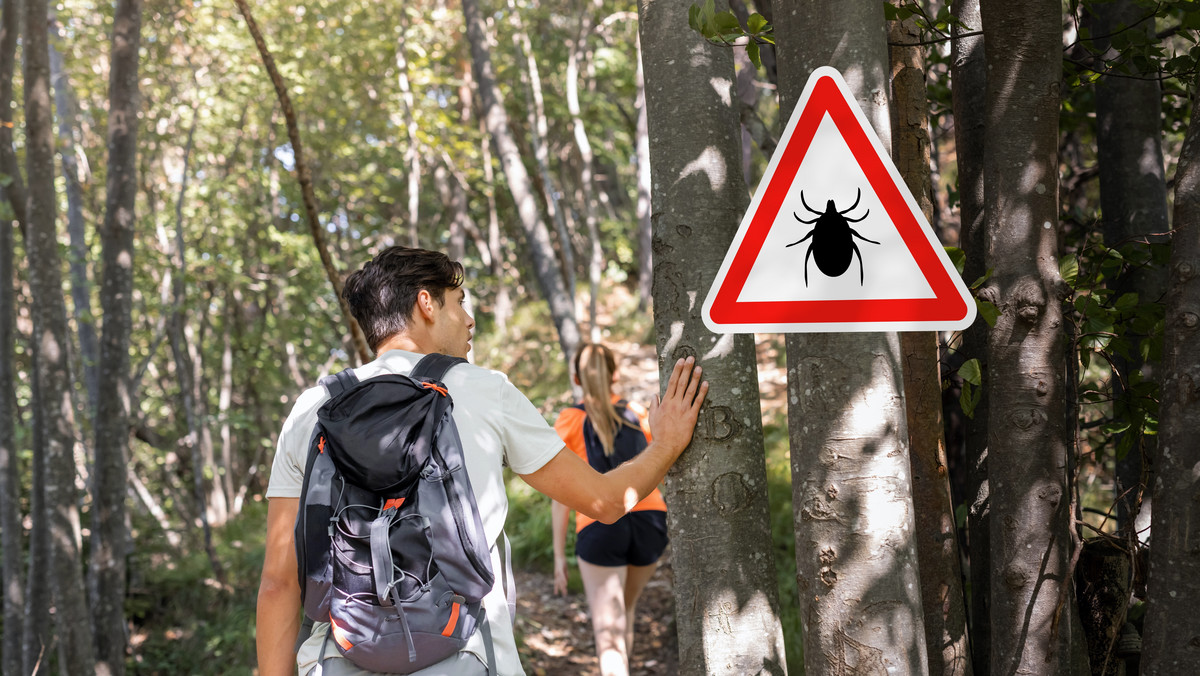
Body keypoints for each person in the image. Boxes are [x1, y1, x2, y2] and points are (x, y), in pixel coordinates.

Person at [256, 246, 708, 676]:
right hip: (467, 652)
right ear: (426, 303)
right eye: (460, 302)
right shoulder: (484, 390)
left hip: (337, 656)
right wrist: (666, 443)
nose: (469, 320)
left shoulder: (312, 410)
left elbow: (279, 584)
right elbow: (605, 501)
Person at [551, 344, 667, 676]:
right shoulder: (636, 411)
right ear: (615, 374)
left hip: (599, 524)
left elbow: (560, 495)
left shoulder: (570, 419)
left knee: (608, 635)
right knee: (624, 613)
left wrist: (560, 557)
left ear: (576, 377)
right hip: (651, 521)